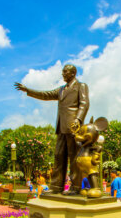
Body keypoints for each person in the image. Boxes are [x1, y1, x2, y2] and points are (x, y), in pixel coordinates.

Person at [14, 64, 89, 194]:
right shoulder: (61, 90)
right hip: (61, 127)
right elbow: (46, 95)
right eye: (62, 72)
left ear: (73, 73)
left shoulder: (81, 86)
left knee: (74, 158)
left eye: (65, 72)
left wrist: (78, 119)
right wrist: (28, 90)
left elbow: (84, 104)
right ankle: (56, 187)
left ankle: (76, 188)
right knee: (59, 156)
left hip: (73, 127)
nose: (63, 74)